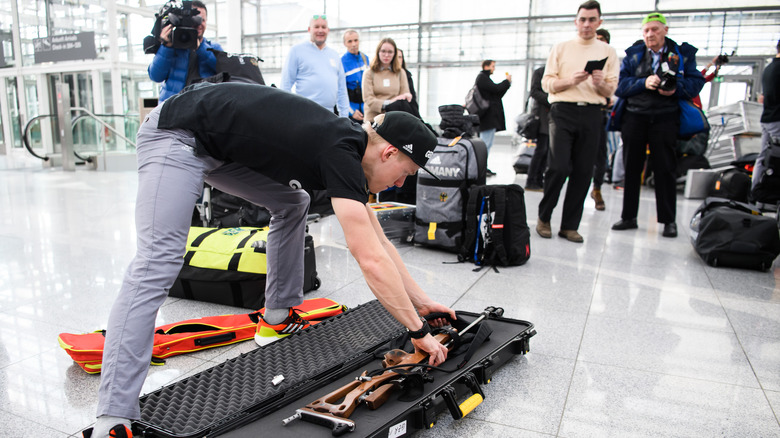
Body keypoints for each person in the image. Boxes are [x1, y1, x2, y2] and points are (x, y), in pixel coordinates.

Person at [89, 82, 456, 438]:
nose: (397, 184)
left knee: (293, 202)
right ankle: (114, 412)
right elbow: (370, 259)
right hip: (177, 135)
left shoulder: (353, 149)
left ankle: (277, 317)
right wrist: (417, 331)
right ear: (389, 153)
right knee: (159, 261)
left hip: (218, 145)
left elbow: (379, 243)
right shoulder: (340, 150)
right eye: (405, 173)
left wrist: (422, 304)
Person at [610, 12, 705, 238]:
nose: (650, 34)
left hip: (665, 117)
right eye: (646, 31)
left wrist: (675, 89)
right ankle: (628, 217)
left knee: (665, 169)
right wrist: (644, 82)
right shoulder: (633, 55)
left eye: (654, 29)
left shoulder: (681, 54)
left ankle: (668, 221)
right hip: (635, 116)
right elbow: (621, 87)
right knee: (631, 168)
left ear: (665, 30)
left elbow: (695, 83)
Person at [536, 0, 618, 243]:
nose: (586, 24)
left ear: (599, 22)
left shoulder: (608, 52)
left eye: (592, 20)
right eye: (582, 20)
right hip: (563, 111)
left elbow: (610, 91)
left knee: (583, 171)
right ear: (576, 21)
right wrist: (571, 81)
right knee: (558, 167)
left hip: (593, 113)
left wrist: (599, 83)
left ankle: (569, 226)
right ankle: (544, 217)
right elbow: (547, 84)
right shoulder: (561, 48)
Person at [147, 1, 222, 103]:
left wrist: (200, 48)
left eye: (202, 20)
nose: (199, 24)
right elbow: (156, 76)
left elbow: (225, 69)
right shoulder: (171, 47)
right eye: (195, 19)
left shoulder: (213, 47)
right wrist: (166, 47)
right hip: (173, 110)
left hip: (203, 110)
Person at [281, 15, 351, 117]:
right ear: (309, 29)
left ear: (328, 30)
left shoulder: (334, 55)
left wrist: (344, 117)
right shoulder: (297, 51)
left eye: (323, 27)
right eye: (316, 27)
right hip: (304, 113)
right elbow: (285, 84)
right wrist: (288, 113)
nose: (320, 30)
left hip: (329, 115)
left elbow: (342, 90)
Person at [751, 40, 780, 199]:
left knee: (763, 157)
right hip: (777, 119)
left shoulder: (769, 68)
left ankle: (755, 191)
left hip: (767, 118)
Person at [590, 28, 614, 211]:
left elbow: (616, 89)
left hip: (601, 114)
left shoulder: (610, 65)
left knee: (601, 157)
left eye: (602, 39)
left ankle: (596, 189)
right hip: (579, 115)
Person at [362, 37, 413, 123]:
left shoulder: (400, 72)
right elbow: (368, 99)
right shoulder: (369, 73)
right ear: (378, 52)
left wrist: (394, 103)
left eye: (390, 52)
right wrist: (390, 102)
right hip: (373, 120)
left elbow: (405, 96)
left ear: (394, 54)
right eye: (383, 51)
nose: (386, 55)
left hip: (394, 119)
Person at [475, 59, 512, 176]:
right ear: (486, 66)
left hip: (489, 119)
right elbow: (496, 89)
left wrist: (507, 84)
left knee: (487, 144)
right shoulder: (482, 78)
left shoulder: (485, 78)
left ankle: (483, 167)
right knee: (485, 144)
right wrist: (506, 82)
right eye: (492, 66)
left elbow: (496, 94)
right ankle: (480, 168)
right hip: (486, 118)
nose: (494, 68)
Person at [525, 65, 550, 192]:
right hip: (541, 117)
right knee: (541, 150)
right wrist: (550, 99)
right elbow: (534, 92)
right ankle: (531, 180)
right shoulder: (540, 72)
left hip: (552, 118)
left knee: (546, 152)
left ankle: (539, 180)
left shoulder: (556, 73)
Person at [341, 29, 369, 122]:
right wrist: (351, 112)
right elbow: (340, 92)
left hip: (367, 110)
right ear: (345, 43)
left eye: (356, 40)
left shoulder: (365, 59)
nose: (353, 44)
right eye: (350, 41)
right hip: (353, 113)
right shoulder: (342, 63)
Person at [397, 49, 421, 118]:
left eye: (400, 57)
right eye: (396, 57)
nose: (398, 60)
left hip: (409, 110)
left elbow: (412, 97)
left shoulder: (407, 75)